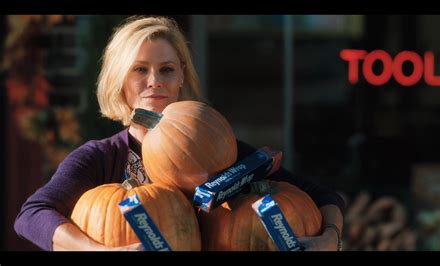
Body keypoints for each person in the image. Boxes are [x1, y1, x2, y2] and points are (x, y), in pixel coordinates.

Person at [14, 16, 345, 251]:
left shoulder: (217, 150)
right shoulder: (100, 157)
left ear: (182, 77)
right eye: (140, 69)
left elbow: (325, 197)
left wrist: (330, 239)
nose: (154, 80)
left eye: (167, 69)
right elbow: (31, 216)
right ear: (119, 80)